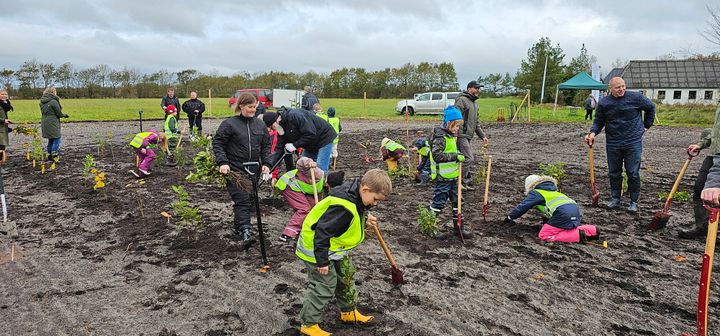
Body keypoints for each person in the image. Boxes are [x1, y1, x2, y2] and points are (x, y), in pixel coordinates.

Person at [296, 168, 392, 336]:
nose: (375, 203)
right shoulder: (343, 208)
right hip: (317, 250)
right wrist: (322, 261)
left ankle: (348, 312)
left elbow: (357, 206)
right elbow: (322, 232)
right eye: (375, 199)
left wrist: (364, 216)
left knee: (345, 278)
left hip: (335, 249)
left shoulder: (355, 194)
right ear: (365, 189)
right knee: (324, 285)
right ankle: (309, 325)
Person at [584, 77, 655, 213]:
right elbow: (599, 121)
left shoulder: (636, 97)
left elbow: (651, 107)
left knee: (633, 173)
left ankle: (633, 202)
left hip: (632, 141)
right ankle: (615, 199)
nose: (622, 89)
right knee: (614, 172)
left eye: (623, 86)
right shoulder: (604, 103)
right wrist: (592, 133)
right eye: (618, 87)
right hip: (613, 142)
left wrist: (646, 125)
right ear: (611, 88)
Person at [212, 92, 272, 244]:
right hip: (235, 169)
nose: (253, 110)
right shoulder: (229, 124)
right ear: (241, 106)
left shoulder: (260, 125)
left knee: (250, 199)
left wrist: (266, 163)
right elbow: (218, 144)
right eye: (249, 107)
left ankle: (239, 225)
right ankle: (245, 230)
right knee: (243, 200)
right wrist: (223, 162)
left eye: (254, 107)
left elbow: (266, 146)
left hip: (254, 168)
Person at [504, 175, 600, 243]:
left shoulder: (537, 192)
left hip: (562, 213)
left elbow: (523, 206)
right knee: (566, 227)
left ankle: (578, 235)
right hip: (574, 209)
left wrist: (510, 217)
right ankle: (592, 230)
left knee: (544, 235)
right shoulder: (553, 191)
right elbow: (550, 207)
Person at [428, 106, 473, 239]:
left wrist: (458, 154)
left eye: (458, 127)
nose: (456, 129)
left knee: (458, 201)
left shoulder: (450, 136)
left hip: (453, 177)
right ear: (448, 123)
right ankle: (430, 228)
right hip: (442, 177)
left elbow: (450, 152)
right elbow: (437, 156)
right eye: (455, 126)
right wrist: (455, 156)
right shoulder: (439, 137)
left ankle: (459, 228)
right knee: (439, 202)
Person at [679, 105, 720, 238]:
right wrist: (701, 144)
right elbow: (716, 131)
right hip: (714, 153)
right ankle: (702, 226)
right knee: (700, 189)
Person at [264, 108, 337, 173]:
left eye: (271, 127)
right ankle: (307, 187)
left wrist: (295, 145)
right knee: (302, 166)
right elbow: (279, 148)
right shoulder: (281, 128)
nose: (272, 130)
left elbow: (310, 133)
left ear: (275, 121)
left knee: (320, 167)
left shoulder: (295, 115)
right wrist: (269, 167)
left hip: (324, 136)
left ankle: (321, 186)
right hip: (310, 143)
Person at [276, 157, 324, 244]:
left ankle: (305, 228)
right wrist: (309, 162)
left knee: (312, 205)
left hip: (300, 189)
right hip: (289, 186)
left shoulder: (322, 183)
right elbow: (301, 161)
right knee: (304, 209)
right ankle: (288, 234)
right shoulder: (314, 172)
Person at [454, 80, 489, 190]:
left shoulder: (475, 103)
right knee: (468, 158)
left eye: (479, 88)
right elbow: (455, 118)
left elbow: (476, 123)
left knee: (463, 158)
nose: (478, 90)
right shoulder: (461, 100)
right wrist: (455, 134)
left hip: (468, 135)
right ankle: (457, 183)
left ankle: (463, 182)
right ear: (469, 89)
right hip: (461, 135)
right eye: (476, 88)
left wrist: (482, 136)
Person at [40, 86, 69, 159]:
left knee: (51, 139)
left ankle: (49, 155)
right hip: (53, 122)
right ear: (53, 92)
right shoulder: (53, 101)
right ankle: (54, 154)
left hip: (44, 121)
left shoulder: (42, 101)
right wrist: (65, 115)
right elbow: (59, 113)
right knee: (57, 138)